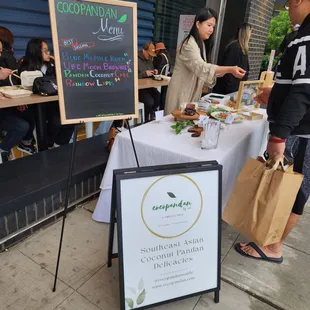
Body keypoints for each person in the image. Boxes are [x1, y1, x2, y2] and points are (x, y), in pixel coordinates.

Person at [235, 0, 310, 264]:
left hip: (301, 133)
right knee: (290, 186)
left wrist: (278, 136)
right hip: (299, 128)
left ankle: (273, 246)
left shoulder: (306, 36)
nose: (288, 10)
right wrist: (276, 94)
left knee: (292, 189)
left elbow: (303, 90)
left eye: (289, 4)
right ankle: (269, 239)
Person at [164, 8, 246, 115]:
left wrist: (221, 72)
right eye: (209, 25)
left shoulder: (201, 44)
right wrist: (230, 69)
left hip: (191, 95)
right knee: (175, 125)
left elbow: (204, 70)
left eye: (213, 26)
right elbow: (202, 67)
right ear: (198, 24)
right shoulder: (188, 44)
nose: (211, 30)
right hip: (181, 93)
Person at [19, 38, 74, 148]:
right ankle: (47, 146)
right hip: (34, 105)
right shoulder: (25, 67)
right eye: (45, 51)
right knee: (56, 121)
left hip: (52, 101)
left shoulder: (51, 64)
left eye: (48, 50)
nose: (49, 53)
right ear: (36, 52)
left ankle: (59, 144)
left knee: (71, 117)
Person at [0, 40, 37, 159]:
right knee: (21, 126)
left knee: (30, 114)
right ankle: (3, 150)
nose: (0, 55)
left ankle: (26, 143)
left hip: (5, 108)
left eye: (0, 51)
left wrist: (16, 102)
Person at [214, 23, 251, 95]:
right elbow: (227, 68)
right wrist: (231, 90)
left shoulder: (240, 48)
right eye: (250, 31)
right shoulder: (235, 47)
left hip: (235, 88)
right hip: (229, 90)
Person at [138, 42, 160, 121]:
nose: (150, 56)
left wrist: (153, 71)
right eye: (149, 54)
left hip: (148, 86)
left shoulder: (149, 59)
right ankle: (144, 118)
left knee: (158, 97)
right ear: (143, 50)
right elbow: (131, 75)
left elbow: (149, 70)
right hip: (139, 89)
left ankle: (148, 114)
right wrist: (144, 74)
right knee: (149, 101)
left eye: (151, 55)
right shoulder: (135, 58)